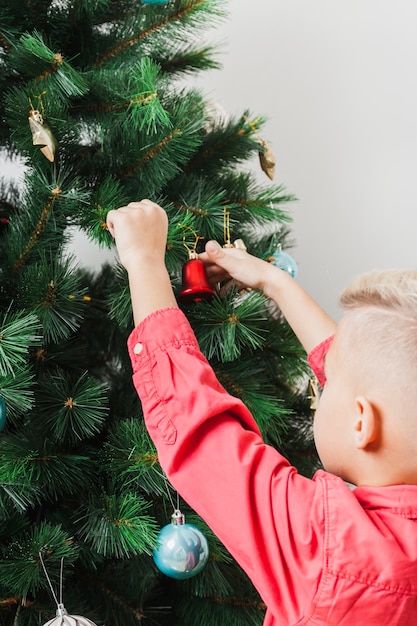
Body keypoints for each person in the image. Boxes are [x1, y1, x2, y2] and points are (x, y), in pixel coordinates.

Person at [106, 199, 417, 625]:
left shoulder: (329, 547)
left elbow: (204, 436)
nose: (321, 375)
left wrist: (143, 263)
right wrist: (275, 282)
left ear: (362, 424)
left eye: (329, 383)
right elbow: (383, 376)